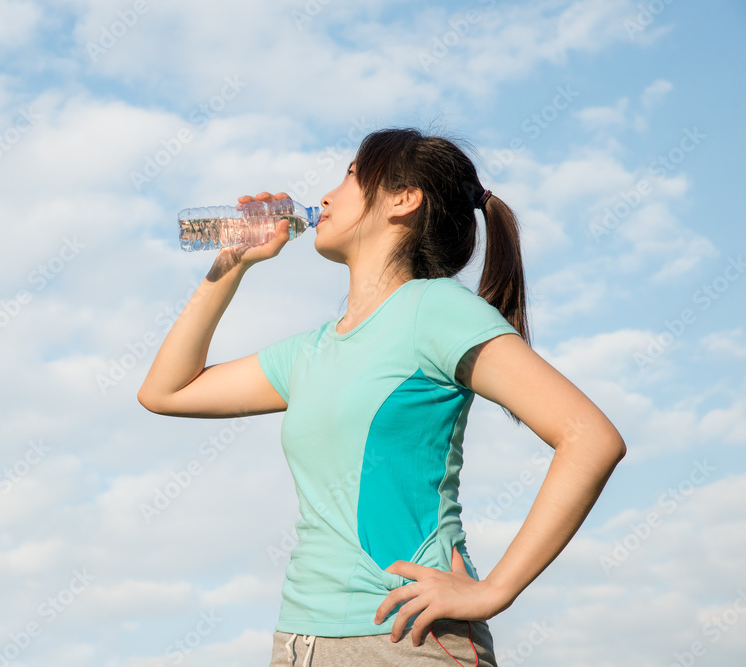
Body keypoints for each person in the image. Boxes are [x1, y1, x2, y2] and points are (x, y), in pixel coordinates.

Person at [137, 128, 626, 666]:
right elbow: (166, 391)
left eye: (350, 174)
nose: (325, 196)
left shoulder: (435, 310)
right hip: (300, 641)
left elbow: (590, 438)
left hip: (404, 640)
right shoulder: (311, 350)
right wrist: (233, 263)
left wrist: (496, 591)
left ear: (403, 199)